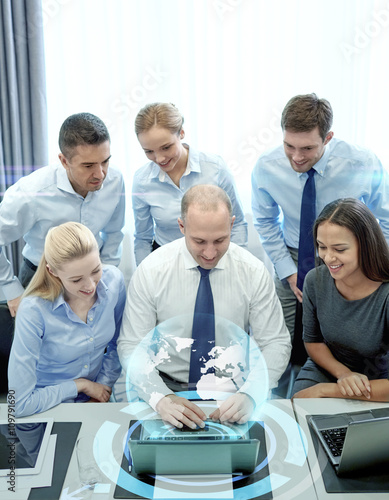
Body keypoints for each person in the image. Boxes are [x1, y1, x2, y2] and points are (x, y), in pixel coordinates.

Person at [118, 185, 291, 429]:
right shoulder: (151, 271)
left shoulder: (253, 272)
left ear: (232, 225)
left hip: (234, 389)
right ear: (181, 227)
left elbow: (275, 342)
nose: (210, 253)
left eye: (220, 240)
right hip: (166, 386)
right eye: (199, 241)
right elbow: (132, 345)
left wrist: (252, 393)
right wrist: (160, 398)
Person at [251, 93, 389, 340]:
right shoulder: (266, 166)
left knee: (341, 337)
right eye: (289, 146)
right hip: (293, 256)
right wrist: (288, 271)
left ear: (328, 138)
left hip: (350, 258)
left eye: (307, 148)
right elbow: (265, 220)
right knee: (282, 337)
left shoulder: (362, 163)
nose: (296, 157)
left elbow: (386, 218)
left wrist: (371, 264)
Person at [0, 112, 125, 317]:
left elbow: (114, 232)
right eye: (88, 165)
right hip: (43, 280)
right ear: (64, 161)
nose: (101, 174)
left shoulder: (115, 180)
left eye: (105, 161)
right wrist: (11, 290)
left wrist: (104, 276)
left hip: (92, 278)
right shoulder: (31, 193)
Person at [8, 222, 126, 417]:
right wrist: (79, 386)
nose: (90, 286)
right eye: (76, 279)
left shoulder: (114, 281)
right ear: (52, 272)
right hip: (45, 405)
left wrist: (101, 387)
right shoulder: (33, 310)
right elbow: (18, 405)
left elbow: (118, 344)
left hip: (97, 396)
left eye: (96, 270)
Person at [292, 199, 389, 402]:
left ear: (366, 246)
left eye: (339, 249)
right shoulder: (314, 280)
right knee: (299, 409)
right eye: (322, 247)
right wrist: (343, 374)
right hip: (328, 367)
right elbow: (313, 342)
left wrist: (327, 390)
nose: (327, 258)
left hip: (380, 380)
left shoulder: (385, 293)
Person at [132, 102, 248, 265]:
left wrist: (235, 266)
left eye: (166, 147)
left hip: (215, 257)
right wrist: (144, 274)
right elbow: (142, 238)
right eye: (149, 151)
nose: (159, 159)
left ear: (181, 133)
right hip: (166, 261)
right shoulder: (142, 181)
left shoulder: (215, 168)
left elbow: (237, 224)